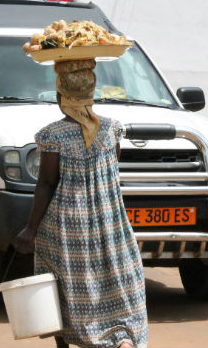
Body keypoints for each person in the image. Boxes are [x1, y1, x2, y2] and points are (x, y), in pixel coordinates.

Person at [14, 59, 148, 348]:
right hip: (110, 222)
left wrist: (31, 228)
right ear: (91, 93)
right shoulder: (112, 129)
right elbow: (113, 170)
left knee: (63, 284)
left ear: (62, 96)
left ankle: (65, 343)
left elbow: (47, 183)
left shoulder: (54, 135)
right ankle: (122, 337)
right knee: (115, 281)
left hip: (67, 224)